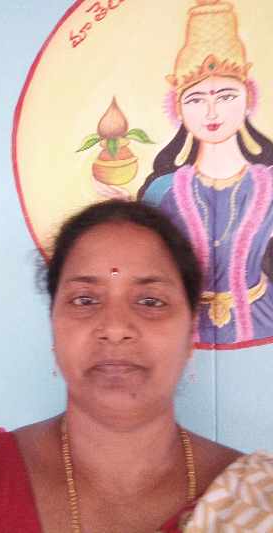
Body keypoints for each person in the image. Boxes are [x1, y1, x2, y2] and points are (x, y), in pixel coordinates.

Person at [0, 200, 272, 532]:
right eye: (85, 300)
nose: (115, 328)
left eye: (151, 301)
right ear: (53, 325)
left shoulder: (258, 501)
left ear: (190, 333)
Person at [138, 0, 273, 349]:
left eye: (226, 96)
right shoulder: (162, 191)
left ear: (248, 99)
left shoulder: (270, 185)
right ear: (178, 108)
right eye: (196, 99)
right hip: (179, 328)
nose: (212, 112)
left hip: (263, 321)